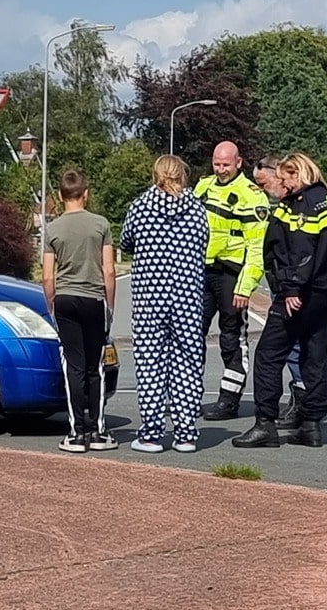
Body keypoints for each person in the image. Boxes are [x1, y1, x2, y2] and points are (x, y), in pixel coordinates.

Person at [236, 153, 327, 448]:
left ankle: (265, 424)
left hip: (297, 295)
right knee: (314, 354)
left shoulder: (302, 207)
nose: (281, 183)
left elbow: (301, 252)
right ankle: (311, 425)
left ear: (296, 174)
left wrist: (292, 289)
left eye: (284, 177)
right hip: (326, 294)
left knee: (268, 355)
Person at [118, 154, 210, 453]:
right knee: (188, 361)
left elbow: (126, 241)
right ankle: (185, 433)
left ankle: (151, 434)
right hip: (186, 295)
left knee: (150, 362)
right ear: (182, 175)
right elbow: (204, 243)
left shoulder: (141, 206)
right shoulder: (196, 208)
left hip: (150, 296)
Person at [42, 169, 117, 453]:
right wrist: (109, 305)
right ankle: (97, 431)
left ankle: (76, 433)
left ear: (61, 196)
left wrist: (51, 303)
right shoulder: (101, 225)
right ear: (86, 193)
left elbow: (48, 276)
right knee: (94, 366)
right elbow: (109, 270)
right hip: (93, 299)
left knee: (73, 365)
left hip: (65, 300)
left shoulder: (53, 229)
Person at [194, 141, 269, 420]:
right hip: (201, 272)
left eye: (226, 164)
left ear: (239, 162)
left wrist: (246, 286)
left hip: (231, 276)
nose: (221, 169)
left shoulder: (251, 196)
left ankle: (229, 400)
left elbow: (257, 248)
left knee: (232, 338)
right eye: (217, 164)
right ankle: (188, 395)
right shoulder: (202, 188)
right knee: (190, 335)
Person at [254, 155, 306, 426]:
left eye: (264, 184)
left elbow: (296, 250)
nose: (263, 190)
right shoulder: (284, 205)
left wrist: (291, 285)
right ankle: (302, 403)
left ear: (278, 174)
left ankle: (299, 402)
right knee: (296, 346)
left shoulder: (296, 207)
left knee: (287, 347)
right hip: (285, 284)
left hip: (290, 287)